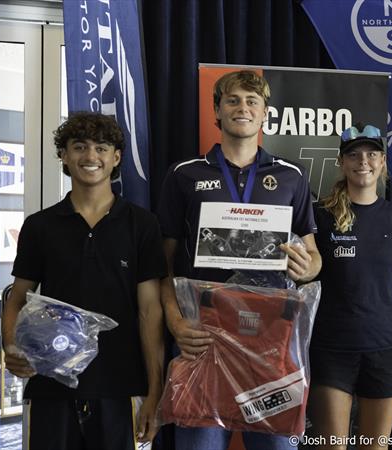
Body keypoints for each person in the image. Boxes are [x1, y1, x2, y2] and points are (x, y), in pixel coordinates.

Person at [157, 70, 321, 450]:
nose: (242, 108)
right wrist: (176, 321)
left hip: (272, 344)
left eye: (252, 101)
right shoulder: (184, 174)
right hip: (204, 338)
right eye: (232, 100)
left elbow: (314, 258)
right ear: (217, 110)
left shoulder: (291, 176)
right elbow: (161, 265)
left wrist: (307, 266)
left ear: (266, 113)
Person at [1, 112, 167, 450]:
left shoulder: (142, 225)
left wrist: (155, 391)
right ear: (64, 155)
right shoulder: (39, 226)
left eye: (101, 148)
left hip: (121, 386)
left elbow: (150, 312)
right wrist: (10, 345)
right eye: (79, 147)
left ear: (116, 157)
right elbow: (17, 297)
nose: (90, 157)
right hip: (50, 385)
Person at [308, 123, 392, 449]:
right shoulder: (320, 216)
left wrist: (382, 320)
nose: (363, 161)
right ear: (341, 162)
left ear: (383, 161)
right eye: (353, 155)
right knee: (333, 446)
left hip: (385, 349)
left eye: (371, 154)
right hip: (331, 348)